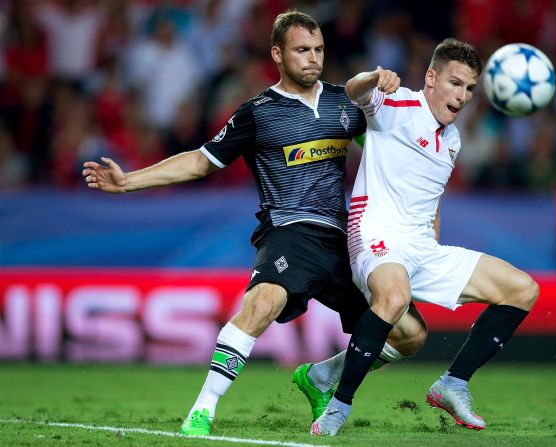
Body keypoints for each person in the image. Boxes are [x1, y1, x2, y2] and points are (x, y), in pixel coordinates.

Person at [81, 10, 427, 436]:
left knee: (409, 334)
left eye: (318, 50)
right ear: (278, 54)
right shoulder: (257, 112)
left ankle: (323, 375)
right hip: (289, 230)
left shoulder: (346, 104)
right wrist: (129, 181)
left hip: (345, 239)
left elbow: (392, 152)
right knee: (264, 302)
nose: (313, 58)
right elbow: (199, 162)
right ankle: (202, 410)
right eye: (303, 50)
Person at [310, 38, 539, 436]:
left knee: (522, 290)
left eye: (469, 88)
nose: (462, 96)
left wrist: (432, 243)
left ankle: (453, 383)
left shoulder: (453, 141)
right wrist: (375, 77)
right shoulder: (396, 104)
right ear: (431, 77)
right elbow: (352, 91)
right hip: (375, 233)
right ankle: (338, 408)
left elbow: (432, 201)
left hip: (420, 246)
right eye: (455, 83)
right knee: (394, 299)